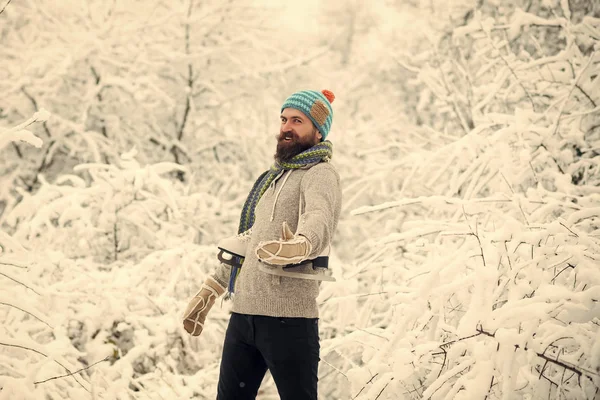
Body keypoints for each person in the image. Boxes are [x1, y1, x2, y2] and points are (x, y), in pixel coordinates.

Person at [182, 89, 342, 400]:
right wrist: (211, 289)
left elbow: (320, 219)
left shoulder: (320, 174)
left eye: (297, 120)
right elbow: (251, 240)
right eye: (284, 119)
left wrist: (300, 244)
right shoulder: (274, 179)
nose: (286, 127)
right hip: (243, 316)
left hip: (288, 320)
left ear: (318, 130)